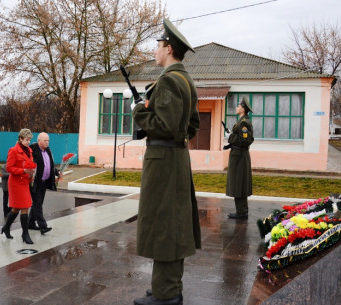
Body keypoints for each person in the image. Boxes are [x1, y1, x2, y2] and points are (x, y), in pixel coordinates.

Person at [131, 18, 201, 305]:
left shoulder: (170, 80)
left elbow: (167, 125)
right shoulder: (185, 80)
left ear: (169, 49)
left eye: (158, 45)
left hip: (164, 160)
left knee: (164, 224)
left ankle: (167, 293)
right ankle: (166, 285)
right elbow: (191, 126)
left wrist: (139, 111)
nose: (155, 50)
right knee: (171, 222)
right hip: (174, 157)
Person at [1, 128, 36, 244]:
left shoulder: (29, 150)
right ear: (20, 139)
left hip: (25, 182)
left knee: (16, 208)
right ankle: (25, 234)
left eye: (29, 140)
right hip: (16, 183)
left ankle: (6, 227)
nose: (28, 142)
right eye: (26, 140)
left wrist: (32, 173)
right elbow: (9, 168)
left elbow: (29, 164)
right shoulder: (13, 150)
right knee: (25, 207)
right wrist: (23, 171)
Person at [225, 97, 254, 219]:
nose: (236, 107)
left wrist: (230, 137)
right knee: (239, 183)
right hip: (238, 156)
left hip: (240, 156)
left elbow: (246, 140)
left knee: (239, 183)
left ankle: (241, 212)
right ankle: (241, 211)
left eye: (238, 106)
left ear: (243, 109)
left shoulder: (244, 123)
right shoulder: (241, 121)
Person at [28, 132, 59, 234]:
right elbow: (30, 163)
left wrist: (57, 172)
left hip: (44, 182)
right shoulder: (33, 149)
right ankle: (43, 226)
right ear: (39, 141)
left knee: (38, 203)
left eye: (48, 140)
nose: (47, 142)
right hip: (35, 182)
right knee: (38, 204)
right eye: (45, 140)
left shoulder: (48, 151)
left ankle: (30, 223)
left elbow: (50, 164)